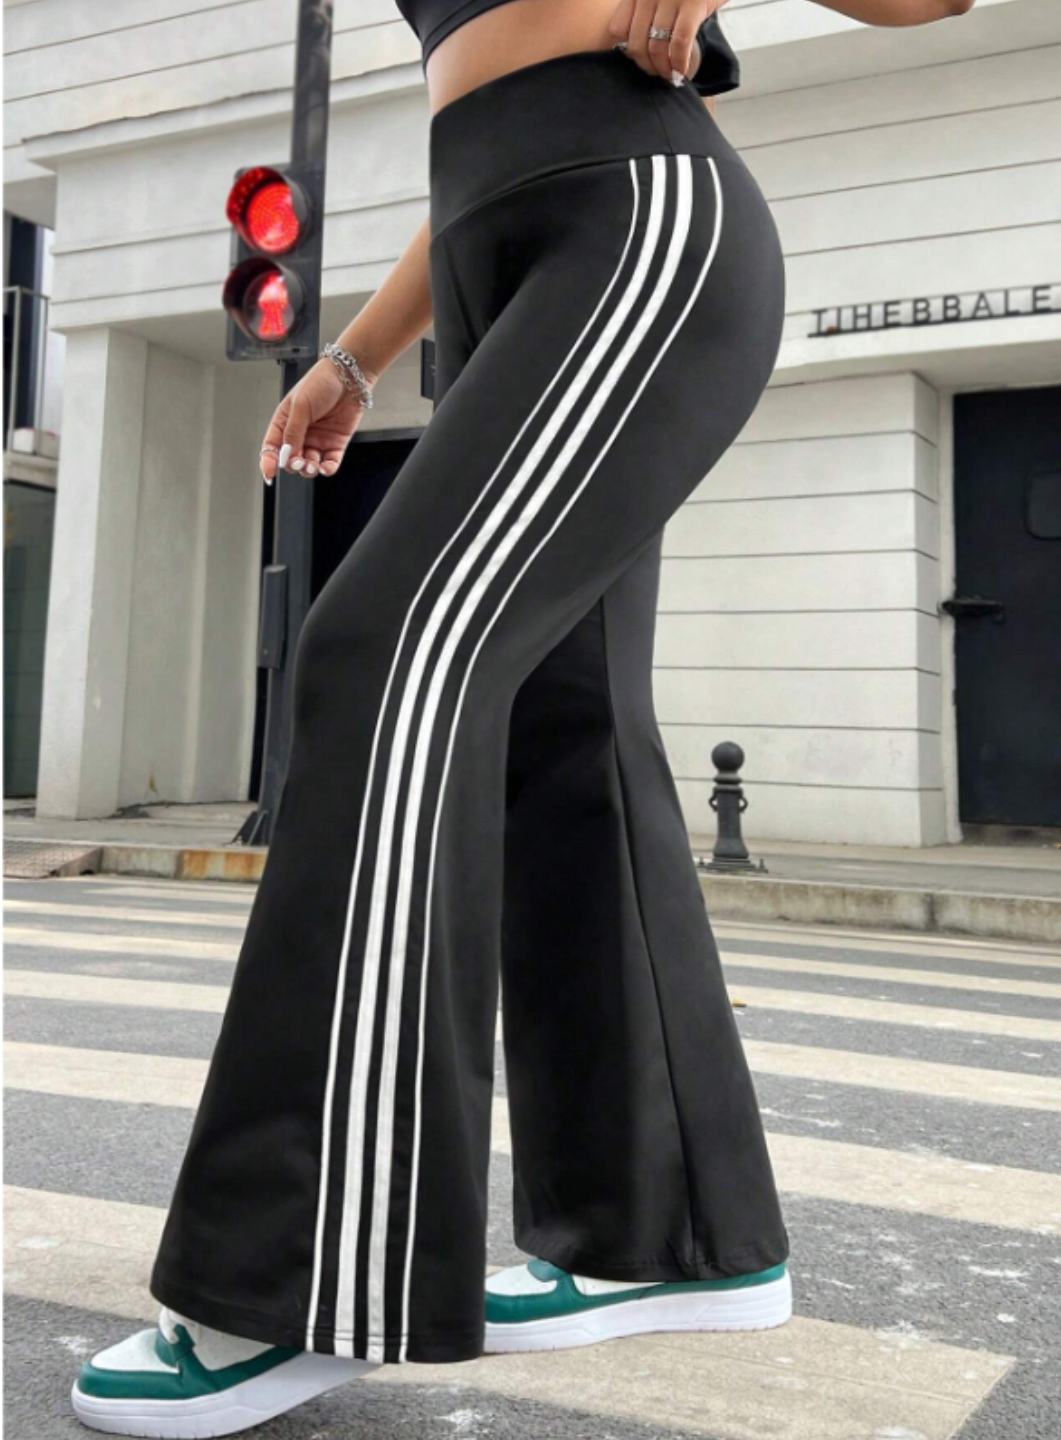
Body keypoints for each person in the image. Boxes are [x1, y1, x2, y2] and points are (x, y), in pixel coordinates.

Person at [71, 0, 976, 1433]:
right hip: (501, 245)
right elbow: (483, 114)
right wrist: (356, 355)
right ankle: (663, 1232)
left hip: (636, 218)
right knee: (572, 731)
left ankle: (306, 1277)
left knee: (384, 654)